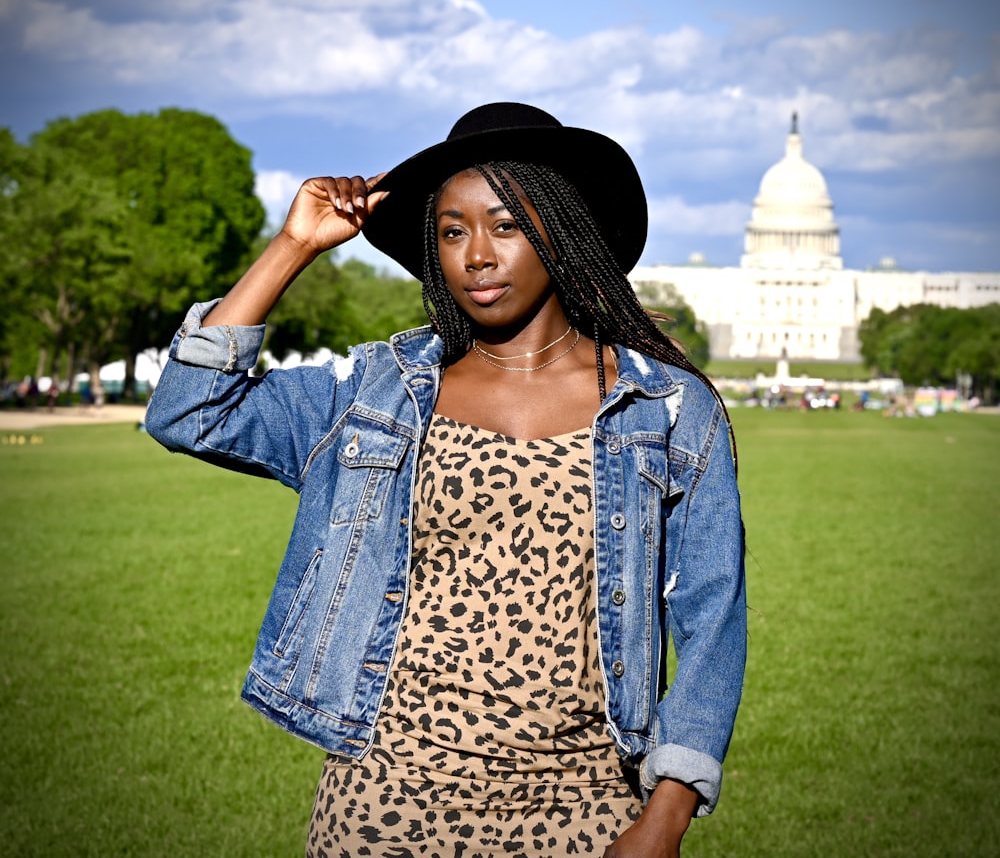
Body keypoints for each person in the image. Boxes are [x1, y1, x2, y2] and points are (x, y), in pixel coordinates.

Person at [145, 102, 746, 857]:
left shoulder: (666, 408)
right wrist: (294, 246)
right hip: (387, 796)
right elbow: (188, 410)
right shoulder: (375, 392)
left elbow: (713, 615)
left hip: (586, 805)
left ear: (559, 231)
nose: (476, 256)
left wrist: (664, 819)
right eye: (452, 232)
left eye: (505, 225)